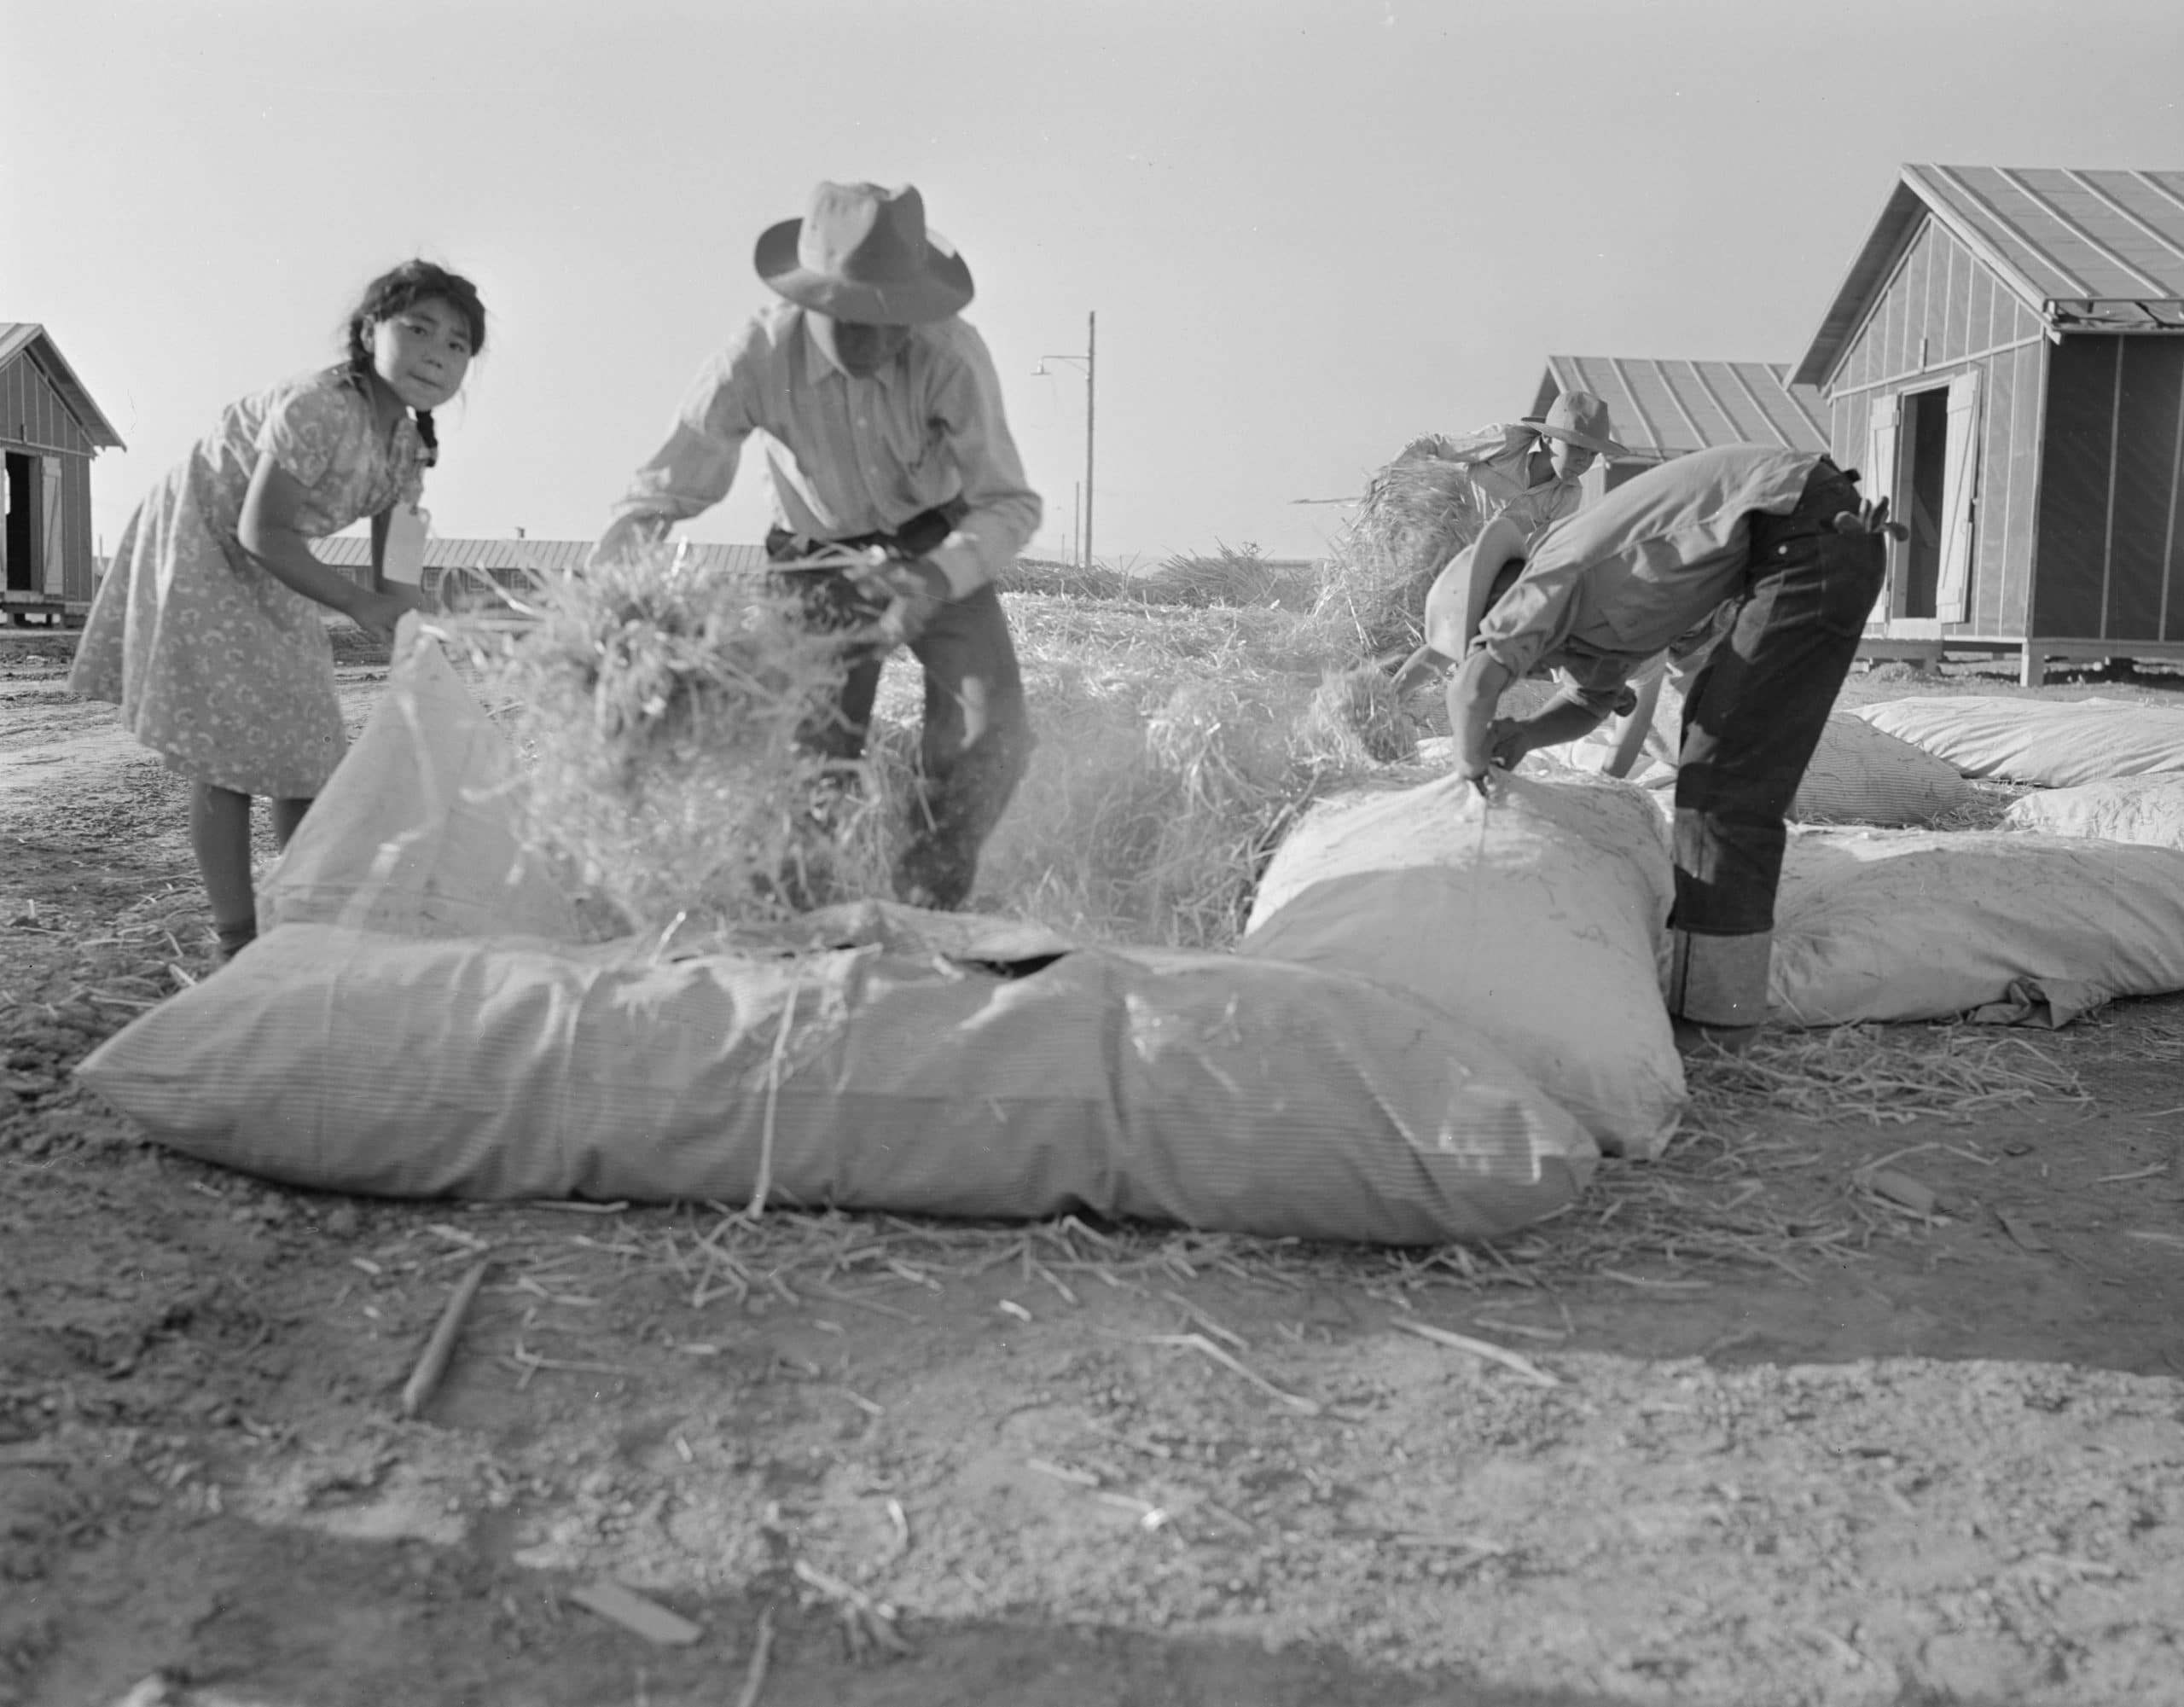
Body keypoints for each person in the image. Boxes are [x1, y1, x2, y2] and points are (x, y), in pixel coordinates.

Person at [595, 181, 1042, 912]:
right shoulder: (756, 356)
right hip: (815, 557)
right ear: (809, 298)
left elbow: (1008, 502)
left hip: (933, 541)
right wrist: (610, 597)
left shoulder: (950, 353)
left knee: (990, 736)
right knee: (804, 765)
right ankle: (800, 926)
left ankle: (926, 898)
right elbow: (665, 489)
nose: (881, 337)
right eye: (855, 319)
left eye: (898, 317)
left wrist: (932, 576)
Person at [1400, 444, 1900, 1054]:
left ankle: (1723, 1023)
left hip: (1803, 530)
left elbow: (1472, 684)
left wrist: (1467, 773)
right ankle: (1709, 993)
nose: (1536, 666)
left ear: (1499, 602)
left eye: (1495, 633)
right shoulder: (1590, 616)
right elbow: (1589, 703)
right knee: (1710, 735)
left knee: (1723, 777)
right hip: (1807, 535)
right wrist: (1526, 735)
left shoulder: (1549, 573)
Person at [70, 260, 485, 961]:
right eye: (417, 329)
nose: (435, 354)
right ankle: (237, 937)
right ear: (366, 332)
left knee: (309, 745)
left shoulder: (408, 449)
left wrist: (426, 643)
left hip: (277, 561)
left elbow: (397, 574)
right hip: (206, 538)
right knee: (228, 751)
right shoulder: (319, 406)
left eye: (456, 345)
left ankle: (301, 919)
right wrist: (358, 603)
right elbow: (261, 529)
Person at [1397, 389, 1629, 546]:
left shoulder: (1567, 496)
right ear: (1548, 438)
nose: (1584, 461)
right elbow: (1433, 445)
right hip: (1436, 540)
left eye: (1592, 454)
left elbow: (1543, 551)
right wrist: (1390, 478)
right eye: (1577, 448)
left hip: (1483, 571)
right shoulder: (1507, 441)